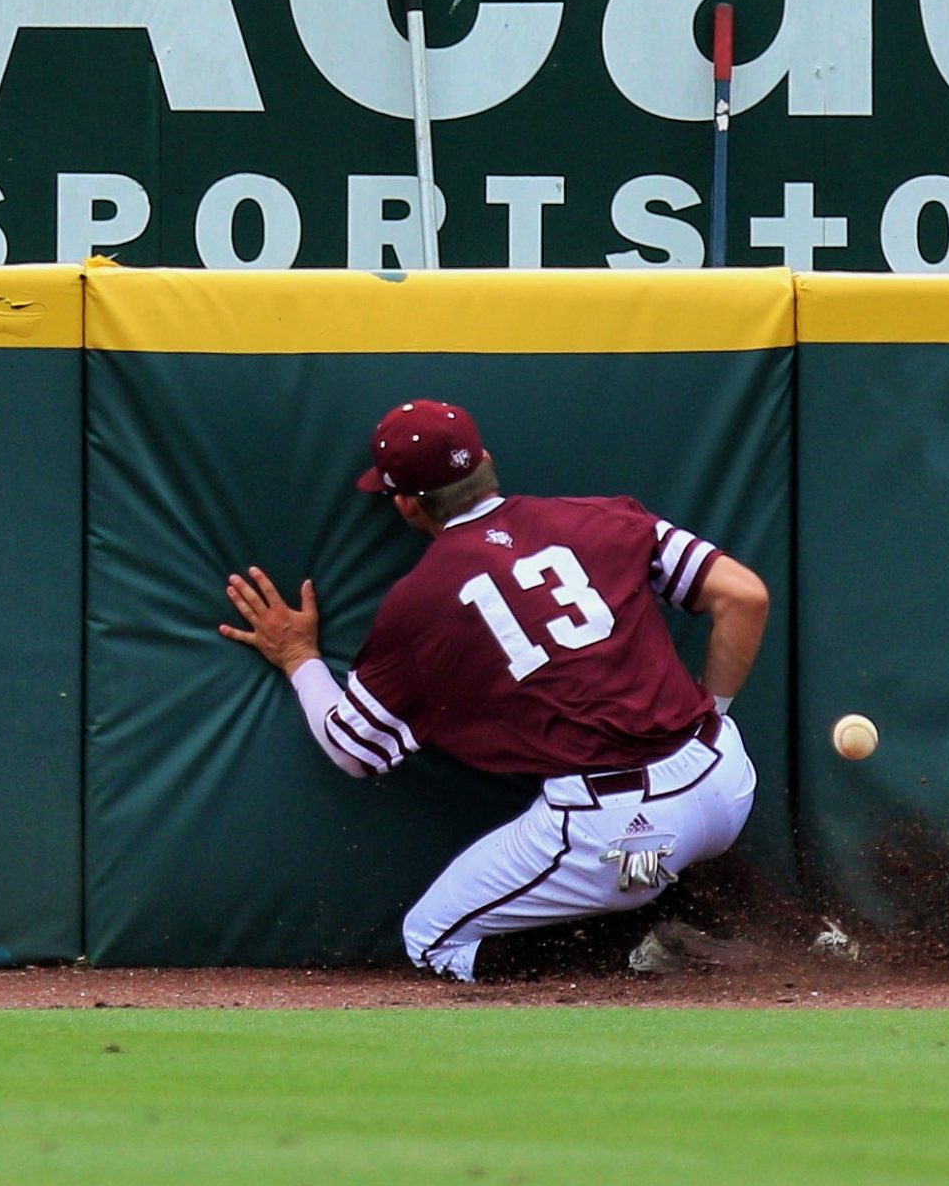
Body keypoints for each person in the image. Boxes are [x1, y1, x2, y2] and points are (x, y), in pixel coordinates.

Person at [218, 399, 769, 981]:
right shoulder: (604, 516)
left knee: (431, 940)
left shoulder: (422, 600)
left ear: (405, 504)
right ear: (485, 460)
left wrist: (300, 656)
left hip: (612, 825)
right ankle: (773, 927)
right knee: (664, 842)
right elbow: (745, 597)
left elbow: (353, 749)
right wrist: (716, 712)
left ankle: (632, 955)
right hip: (726, 777)